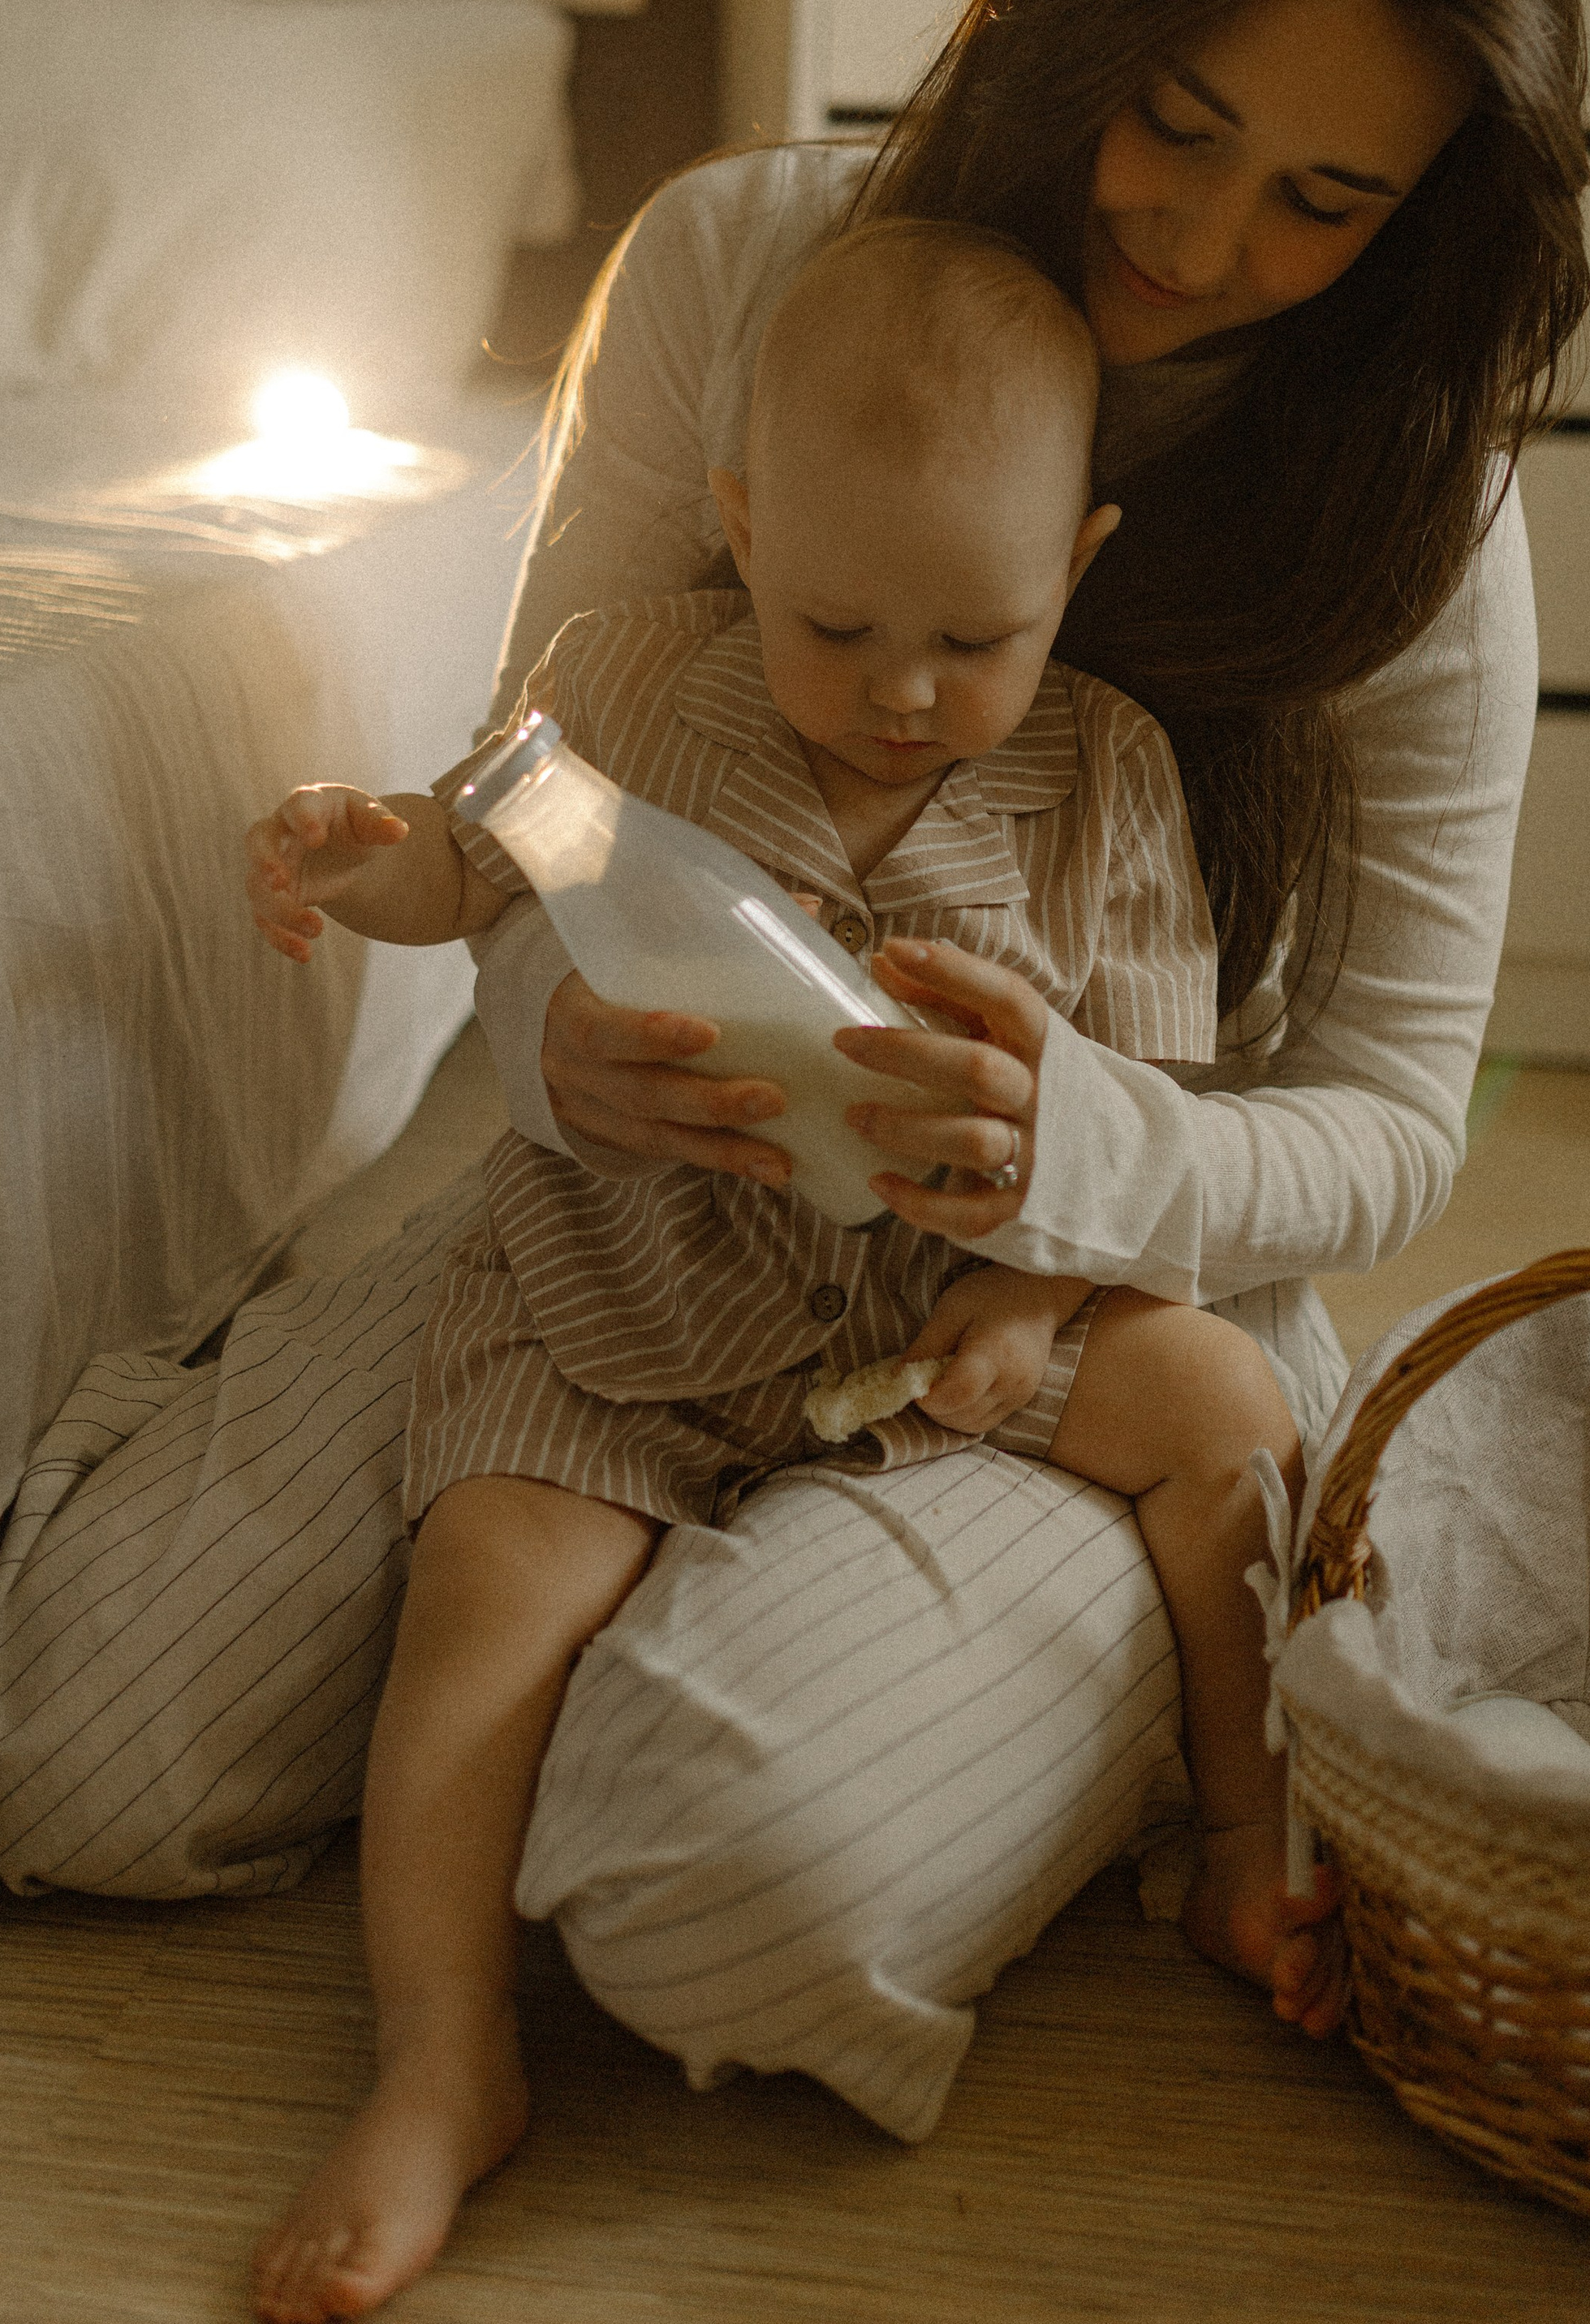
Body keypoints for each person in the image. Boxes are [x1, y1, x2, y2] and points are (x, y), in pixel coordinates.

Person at [0, 0, 1585, 2176]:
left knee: (700, 1879)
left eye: (1327, 203)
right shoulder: (744, 266)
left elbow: (1391, 1123)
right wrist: (554, 1024)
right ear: (1076, 11)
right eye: (1179, 122)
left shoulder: (1418, 521)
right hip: (640, 1241)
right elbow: (533, 811)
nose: (1209, 245)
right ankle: (612, 1638)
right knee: (64, 1753)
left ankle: (990, 1670)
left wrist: (1079, 1162)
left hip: (1062, 1306)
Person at [244, 223, 1346, 2322]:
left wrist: (1039, 1298)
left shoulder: (1108, 771)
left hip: (949, 1300)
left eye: (976, 635)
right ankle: (442, 2061)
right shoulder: (623, 683)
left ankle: (1239, 1834)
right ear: (742, 529)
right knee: (480, 1608)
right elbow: (466, 858)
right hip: (632, 1289)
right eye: (838, 625)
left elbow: (1152, 1104)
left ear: (1079, 563)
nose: (905, 688)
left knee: (1232, 1412)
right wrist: (359, 857)